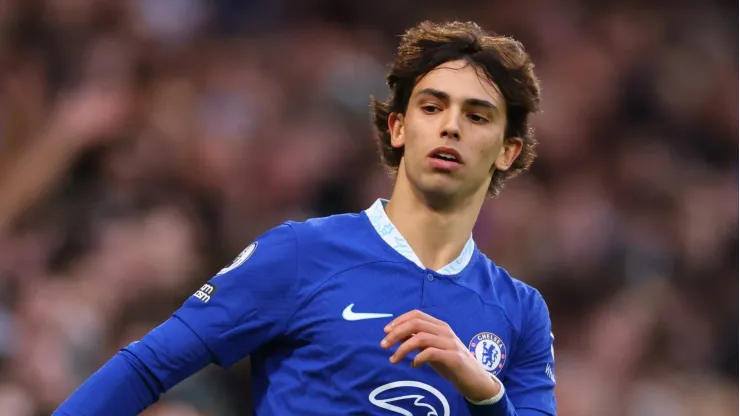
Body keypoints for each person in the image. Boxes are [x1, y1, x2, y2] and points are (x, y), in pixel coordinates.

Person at [54, 20, 556, 415]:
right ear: (399, 128)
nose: (450, 127)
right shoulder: (301, 254)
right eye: (431, 107)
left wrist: (483, 392)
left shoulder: (521, 313)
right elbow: (148, 368)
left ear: (508, 151)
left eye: (476, 115)